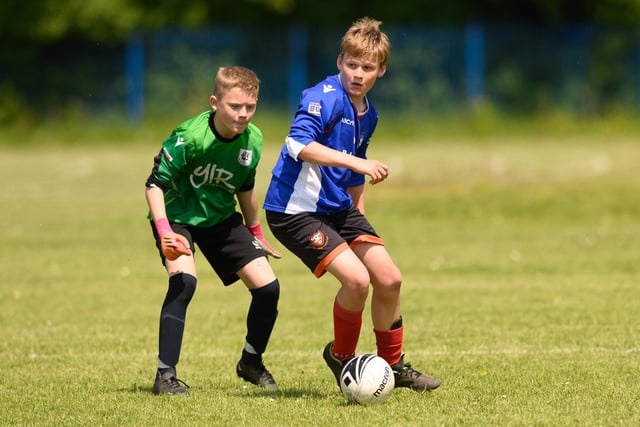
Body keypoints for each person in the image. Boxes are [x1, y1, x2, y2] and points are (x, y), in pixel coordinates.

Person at [263, 17, 440, 392]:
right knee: (357, 281)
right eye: (352, 64)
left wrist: (359, 219)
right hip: (294, 210)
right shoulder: (321, 97)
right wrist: (356, 162)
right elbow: (299, 146)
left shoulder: (368, 114)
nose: (358, 74)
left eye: (368, 67)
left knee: (389, 277)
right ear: (340, 60)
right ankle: (342, 357)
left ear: (382, 70)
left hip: (337, 208)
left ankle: (395, 367)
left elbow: (356, 179)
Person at [145, 65, 283, 396]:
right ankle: (165, 376)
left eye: (250, 107)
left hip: (220, 218)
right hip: (177, 218)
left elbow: (245, 189)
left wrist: (256, 232)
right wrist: (164, 230)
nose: (243, 114)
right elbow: (154, 186)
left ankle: (251, 362)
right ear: (215, 102)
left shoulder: (254, 139)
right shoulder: (189, 137)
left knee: (268, 288)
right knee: (184, 283)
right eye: (235, 106)